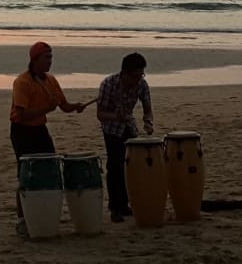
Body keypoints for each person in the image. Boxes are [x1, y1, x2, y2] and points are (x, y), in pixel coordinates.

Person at [9, 41, 86, 237]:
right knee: (26, 173)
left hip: (40, 130)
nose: (50, 62)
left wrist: (76, 106)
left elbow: (63, 105)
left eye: (51, 57)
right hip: (22, 131)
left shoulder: (51, 80)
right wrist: (47, 109)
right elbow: (22, 114)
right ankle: (22, 219)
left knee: (50, 168)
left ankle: (42, 211)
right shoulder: (22, 82)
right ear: (35, 59)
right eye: (46, 58)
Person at [96, 52, 154, 224]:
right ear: (124, 73)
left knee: (131, 167)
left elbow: (147, 109)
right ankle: (115, 208)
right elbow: (100, 114)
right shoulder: (108, 84)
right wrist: (115, 117)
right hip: (112, 129)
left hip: (129, 126)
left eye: (141, 75)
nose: (139, 79)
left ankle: (125, 204)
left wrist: (148, 122)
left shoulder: (142, 85)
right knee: (115, 166)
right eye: (135, 76)